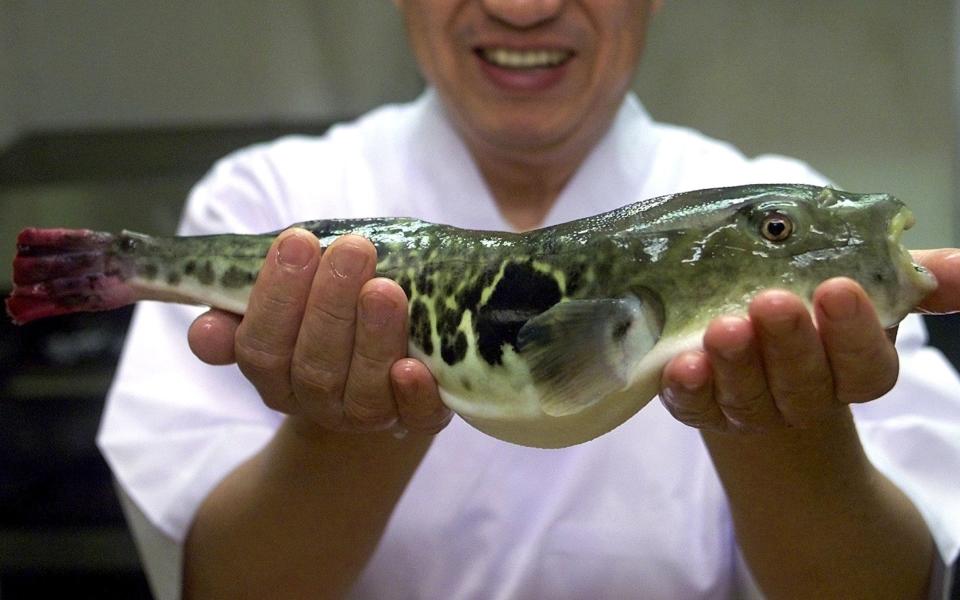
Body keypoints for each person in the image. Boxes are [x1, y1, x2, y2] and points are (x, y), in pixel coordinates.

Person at [98, 1, 960, 598]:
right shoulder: (264, 201)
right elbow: (222, 587)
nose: (522, 11)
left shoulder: (794, 218)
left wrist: (785, 423)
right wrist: (347, 418)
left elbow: (894, 587)